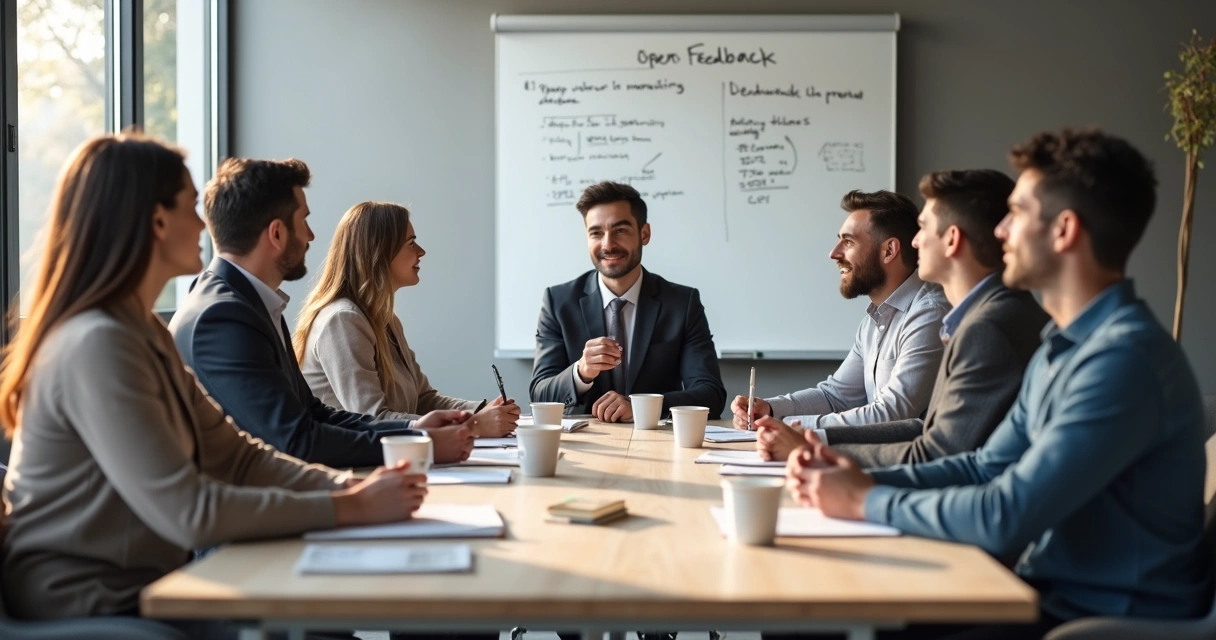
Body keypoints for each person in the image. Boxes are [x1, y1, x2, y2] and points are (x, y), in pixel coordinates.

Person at [783, 128, 1212, 639]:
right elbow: (984, 465)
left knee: (834, 620)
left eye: (1019, 212)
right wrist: (849, 473)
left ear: (1064, 231)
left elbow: (1007, 513)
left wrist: (862, 499)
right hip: (1046, 593)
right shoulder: (1064, 346)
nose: (1002, 230)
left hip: (1092, 617)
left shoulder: (1123, 361)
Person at [0, 133, 427, 634]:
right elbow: (191, 511)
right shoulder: (97, 343)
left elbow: (238, 456)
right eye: (188, 206)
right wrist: (348, 505)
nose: (203, 223)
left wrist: (353, 486)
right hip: (91, 606)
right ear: (157, 222)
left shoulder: (143, 330)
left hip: (149, 590)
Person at [169, 158, 473, 469]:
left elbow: (314, 413)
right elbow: (296, 440)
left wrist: (412, 430)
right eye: (304, 221)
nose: (311, 236)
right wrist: (417, 446)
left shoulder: (250, 303)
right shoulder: (224, 316)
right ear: (277, 233)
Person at [756, 170, 1048, 465]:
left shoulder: (972, 324)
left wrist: (809, 443)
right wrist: (776, 414)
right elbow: (922, 430)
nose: (916, 242)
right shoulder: (886, 318)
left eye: (923, 228)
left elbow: (932, 446)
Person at [733, 190, 950, 437]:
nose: (834, 253)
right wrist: (770, 410)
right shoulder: (874, 322)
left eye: (848, 242)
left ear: (889, 251)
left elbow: (891, 415)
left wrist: (789, 426)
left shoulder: (929, 315)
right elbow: (835, 395)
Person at [295, 201, 520, 435]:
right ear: (379, 252)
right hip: (356, 467)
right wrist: (473, 425)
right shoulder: (342, 320)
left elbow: (424, 399)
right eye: (411, 243)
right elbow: (372, 419)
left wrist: (482, 410)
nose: (421, 251)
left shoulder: (386, 320)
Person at [529, 181, 726, 422]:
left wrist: (642, 407)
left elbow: (711, 395)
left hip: (657, 446)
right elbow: (540, 395)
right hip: (583, 449)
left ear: (644, 234)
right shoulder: (558, 302)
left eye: (620, 230)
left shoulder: (682, 303)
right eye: (596, 233)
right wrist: (581, 372)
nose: (608, 244)